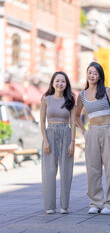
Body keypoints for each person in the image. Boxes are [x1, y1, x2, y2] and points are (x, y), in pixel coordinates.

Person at [76, 62, 110, 215]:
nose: (92, 75)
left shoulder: (107, 91)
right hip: (93, 132)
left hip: (109, 130)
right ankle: (95, 202)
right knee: (93, 169)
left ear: (100, 76)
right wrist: (85, 132)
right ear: (86, 74)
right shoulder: (82, 95)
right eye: (90, 72)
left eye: (95, 73)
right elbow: (76, 116)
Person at [40, 71, 75, 214]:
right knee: (49, 171)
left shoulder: (70, 100)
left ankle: (64, 206)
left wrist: (72, 142)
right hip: (50, 133)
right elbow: (42, 122)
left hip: (66, 133)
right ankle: (50, 206)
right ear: (52, 83)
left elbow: (73, 123)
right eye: (57, 81)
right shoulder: (46, 99)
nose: (60, 83)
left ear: (66, 84)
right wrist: (45, 141)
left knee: (66, 170)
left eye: (63, 81)